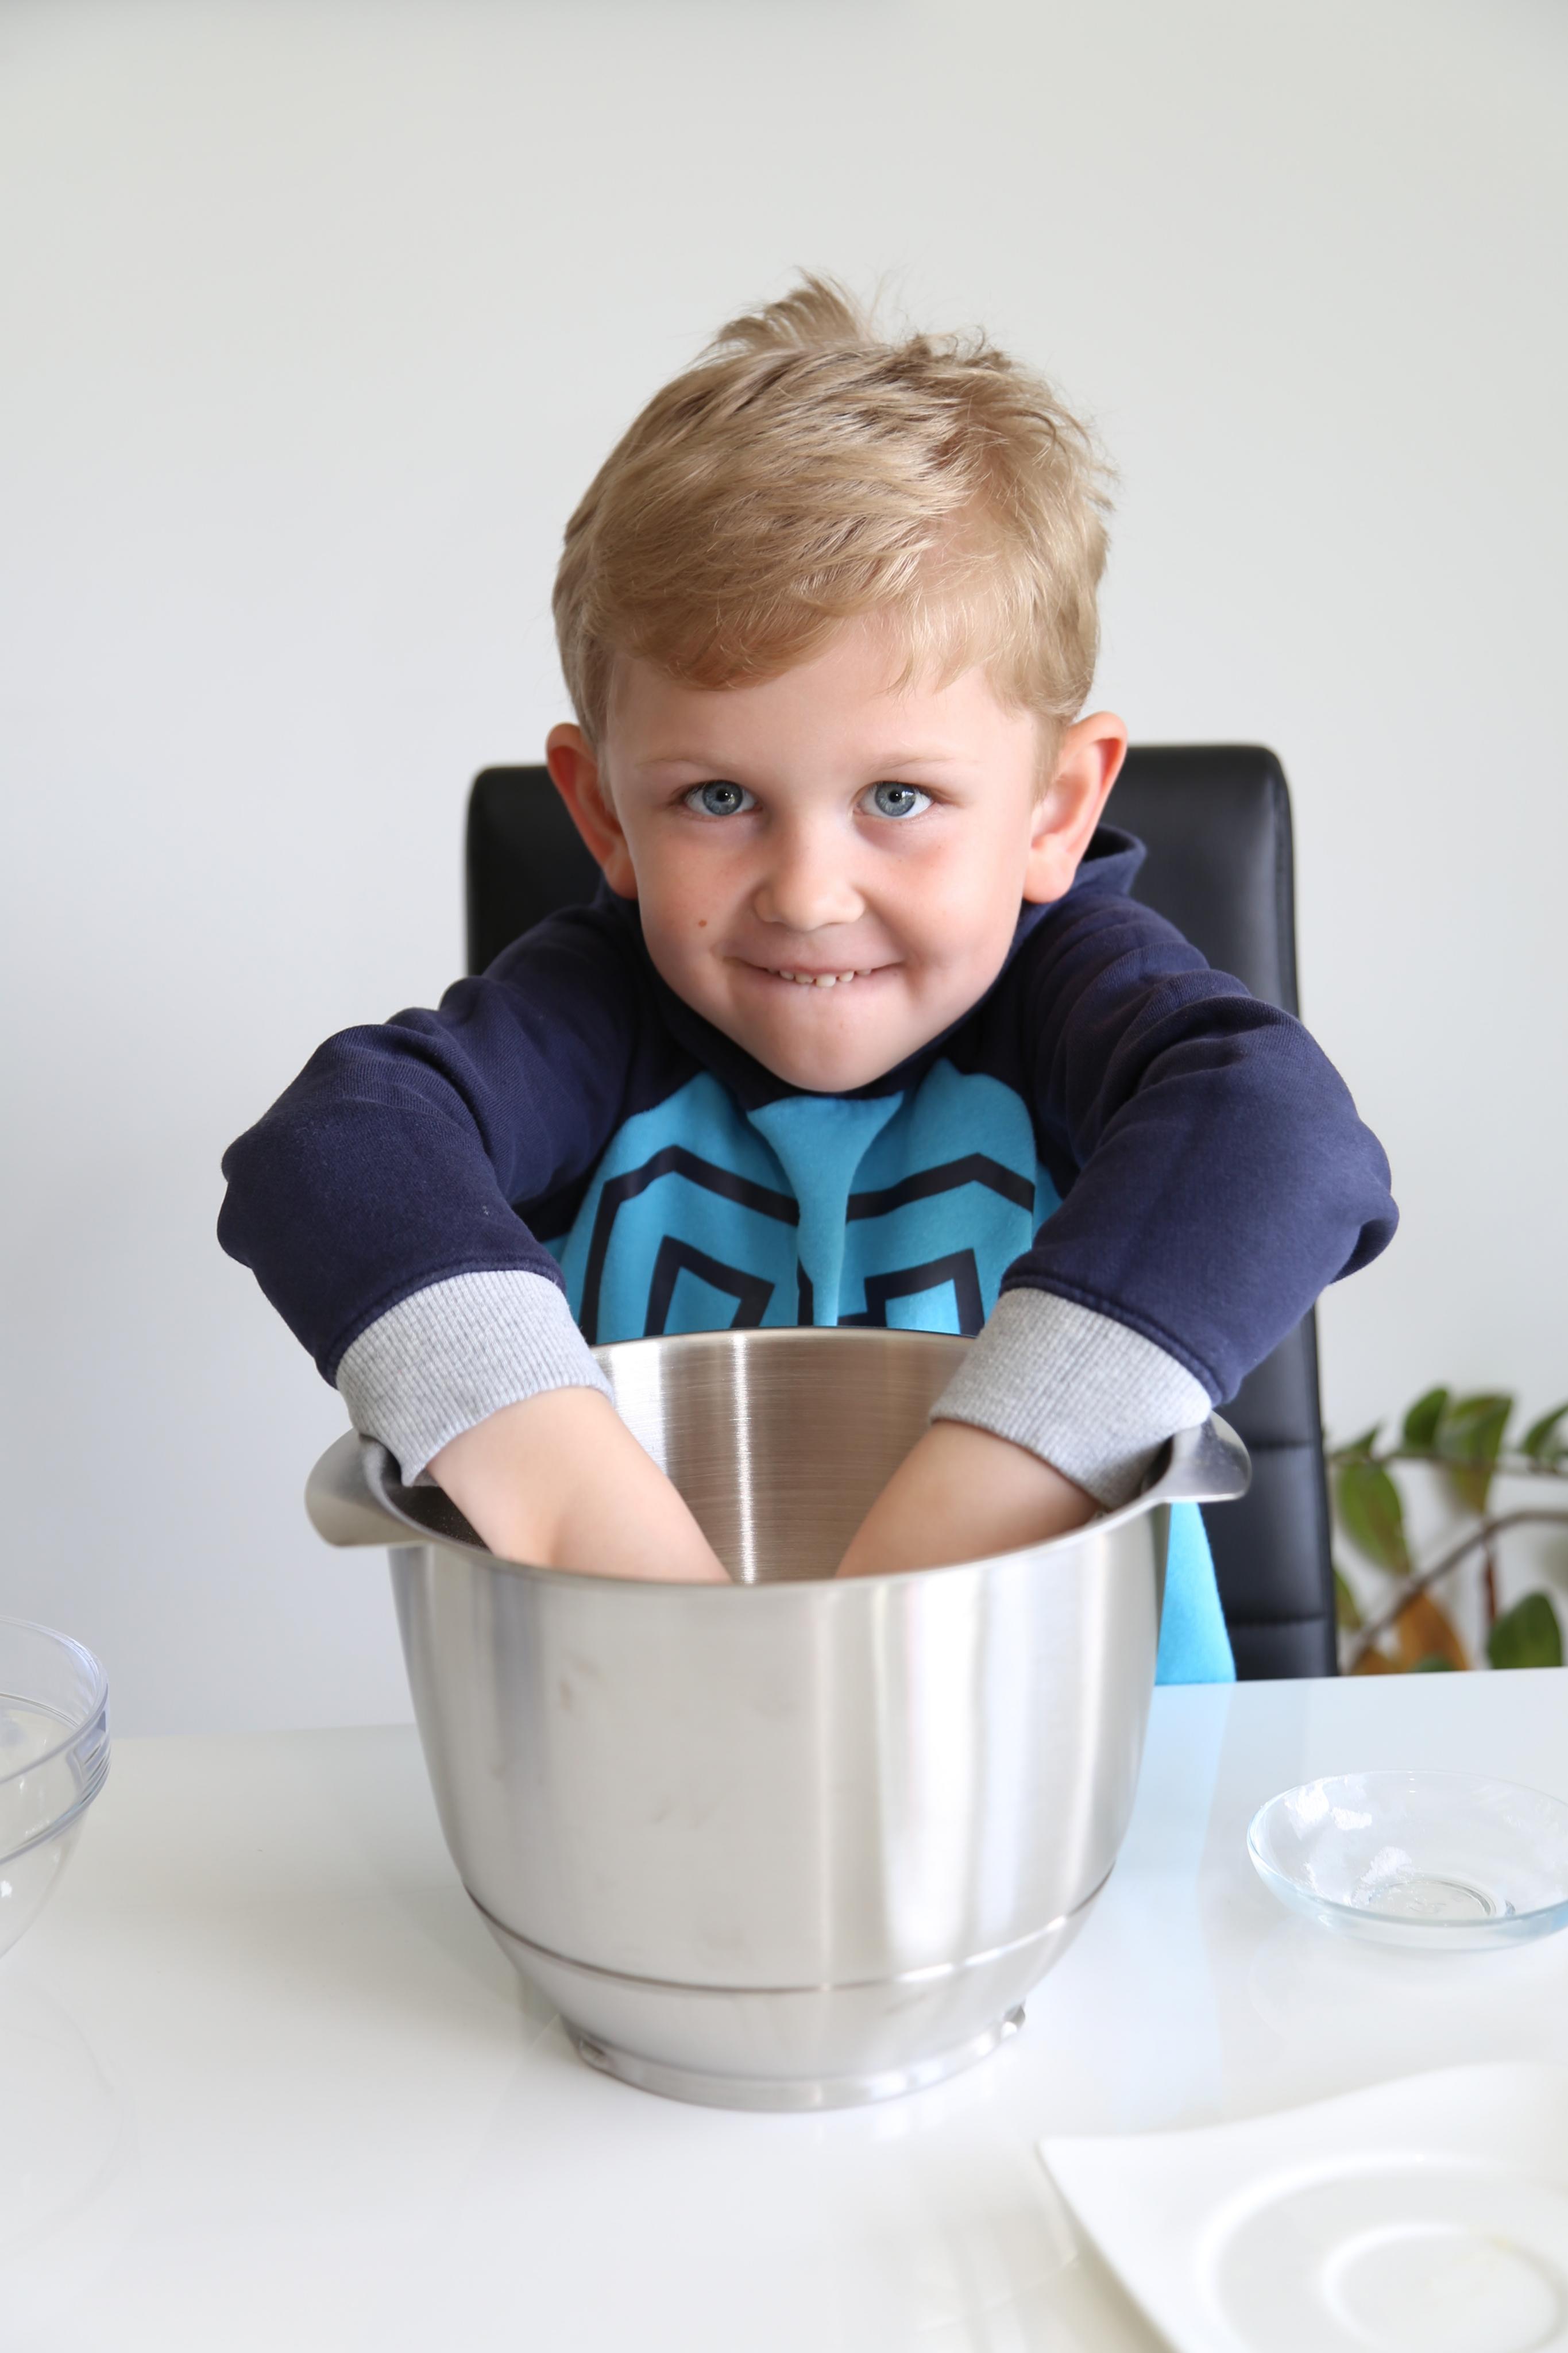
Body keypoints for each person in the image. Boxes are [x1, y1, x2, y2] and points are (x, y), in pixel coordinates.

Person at [219, 276, 1396, 1680]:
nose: (808, 892)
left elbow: (1281, 1136)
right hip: (652, 1722)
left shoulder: (1074, 992)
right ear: (604, 815)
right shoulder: (595, 1010)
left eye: (898, 796)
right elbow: (334, 1150)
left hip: (1107, 1758)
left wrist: (946, 1541)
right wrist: (605, 1541)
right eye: (719, 797)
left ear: (1054, 811)